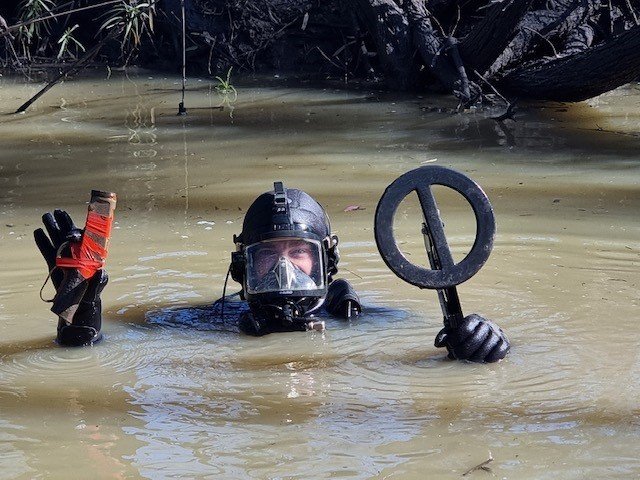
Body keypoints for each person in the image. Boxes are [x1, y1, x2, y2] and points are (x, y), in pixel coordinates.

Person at [34, 182, 509, 362]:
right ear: (243, 267)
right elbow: (108, 358)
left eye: (298, 253)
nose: (285, 266)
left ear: (327, 262)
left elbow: (427, 349)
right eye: (269, 254)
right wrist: (81, 322)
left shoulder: (362, 319)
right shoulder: (210, 321)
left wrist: (480, 342)